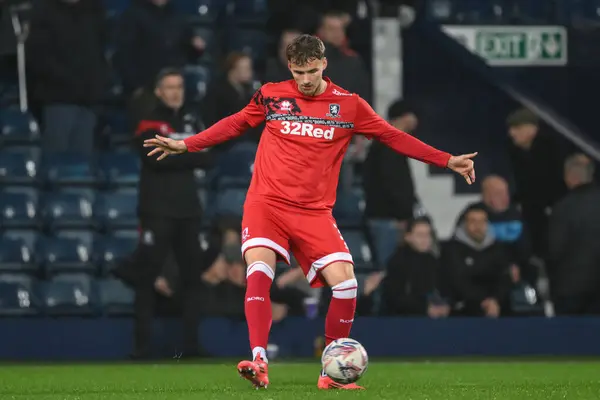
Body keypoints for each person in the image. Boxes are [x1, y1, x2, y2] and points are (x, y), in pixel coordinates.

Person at [143, 34, 477, 390]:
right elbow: (236, 122)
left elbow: (393, 136)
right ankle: (259, 360)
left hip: (314, 212)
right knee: (258, 271)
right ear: (290, 67)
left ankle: (329, 373)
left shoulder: (349, 105)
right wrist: (186, 144)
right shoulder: (271, 94)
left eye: (312, 70)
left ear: (324, 65)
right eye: (299, 71)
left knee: (347, 285)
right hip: (266, 203)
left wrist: (445, 159)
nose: (305, 79)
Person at [131, 68, 211, 358]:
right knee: (147, 277)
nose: (176, 92)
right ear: (159, 91)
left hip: (189, 210)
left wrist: (177, 150)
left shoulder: (192, 119)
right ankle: (141, 348)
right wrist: (189, 151)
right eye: (169, 87)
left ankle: (192, 347)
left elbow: (209, 155)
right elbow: (155, 158)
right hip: (157, 210)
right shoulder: (149, 120)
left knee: (192, 278)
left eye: (179, 86)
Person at [548, 154, 600, 315]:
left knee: (571, 339)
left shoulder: (562, 208)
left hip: (570, 291)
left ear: (569, 177)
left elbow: (554, 250)